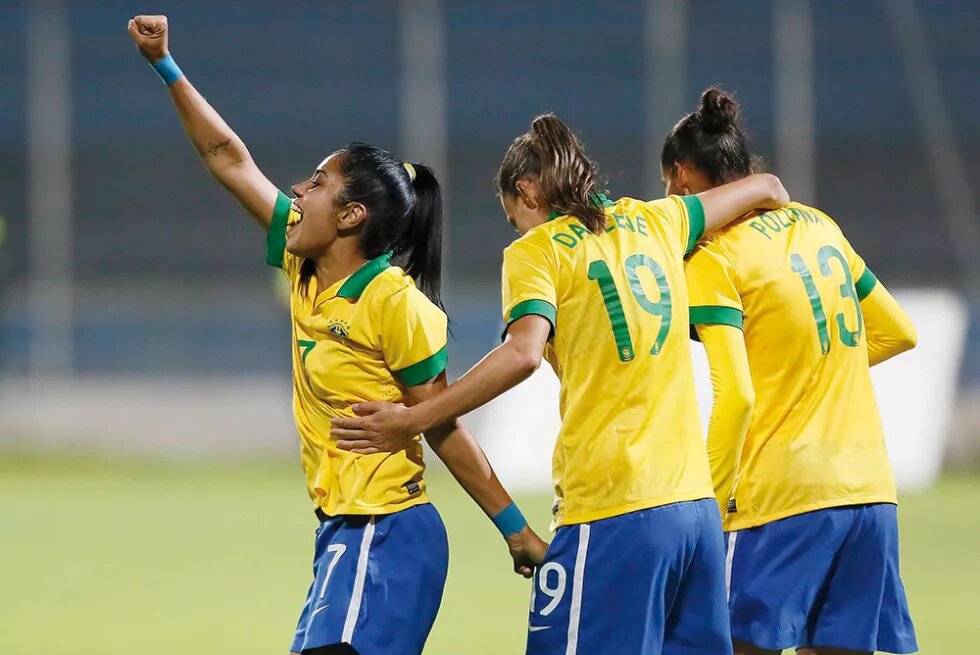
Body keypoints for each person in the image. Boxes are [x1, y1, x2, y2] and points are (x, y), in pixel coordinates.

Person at [127, 15, 547, 655]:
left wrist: (515, 529)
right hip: (345, 537)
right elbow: (226, 157)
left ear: (351, 216)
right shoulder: (303, 265)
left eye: (317, 184)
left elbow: (438, 422)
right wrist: (166, 65)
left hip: (386, 539)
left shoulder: (394, 303)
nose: (297, 189)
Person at [331, 112, 789, 654]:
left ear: (526, 190)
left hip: (613, 509)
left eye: (513, 218)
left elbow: (522, 354)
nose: (517, 232)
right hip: (695, 516)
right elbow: (769, 188)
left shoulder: (539, 250)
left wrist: (414, 417)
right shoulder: (658, 220)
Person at [664, 88, 918, 655]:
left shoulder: (715, 256)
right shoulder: (819, 225)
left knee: (726, 645)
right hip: (870, 490)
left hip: (782, 495)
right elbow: (898, 331)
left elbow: (736, 400)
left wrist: (704, 503)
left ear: (682, 177)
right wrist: (811, 368)